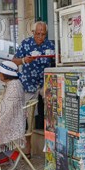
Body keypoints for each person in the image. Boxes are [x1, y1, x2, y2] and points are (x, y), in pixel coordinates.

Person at [12, 21, 55, 155]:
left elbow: (56, 63)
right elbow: (14, 61)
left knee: (51, 113)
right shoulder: (26, 44)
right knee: (28, 115)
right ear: (33, 32)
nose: (40, 36)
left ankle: (51, 144)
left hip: (45, 83)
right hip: (29, 83)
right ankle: (28, 145)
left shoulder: (50, 45)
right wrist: (24, 60)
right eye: (38, 33)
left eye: (43, 34)